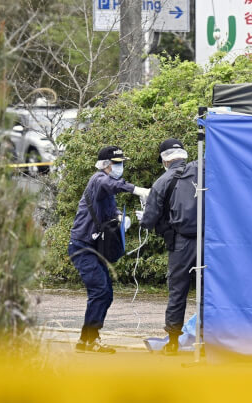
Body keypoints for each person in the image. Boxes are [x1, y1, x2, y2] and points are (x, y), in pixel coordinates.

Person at [68, 145, 147, 353]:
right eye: (117, 163)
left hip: (91, 246)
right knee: (100, 291)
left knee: (105, 293)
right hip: (82, 246)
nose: (120, 167)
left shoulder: (105, 188)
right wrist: (137, 190)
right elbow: (110, 184)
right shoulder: (99, 179)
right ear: (105, 165)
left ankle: (86, 340)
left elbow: (108, 211)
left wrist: (122, 218)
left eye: (122, 163)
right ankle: (89, 340)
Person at [137, 138, 198, 355]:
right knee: (212, 290)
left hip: (181, 244)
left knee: (178, 291)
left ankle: (173, 342)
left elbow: (148, 221)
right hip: (210, 241)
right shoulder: (204, 170)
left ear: (164, 160)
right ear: (184, 154)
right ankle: (212, 338)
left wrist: (142, 216)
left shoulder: (162, 182)